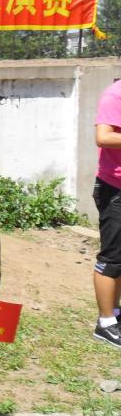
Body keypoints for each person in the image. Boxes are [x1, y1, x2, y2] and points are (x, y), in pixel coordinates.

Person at [92, 78, 121, 348]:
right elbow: (103, 137)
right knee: (112, 258)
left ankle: (116, 313)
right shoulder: (115, 94)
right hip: (115, 189)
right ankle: (105, 323)